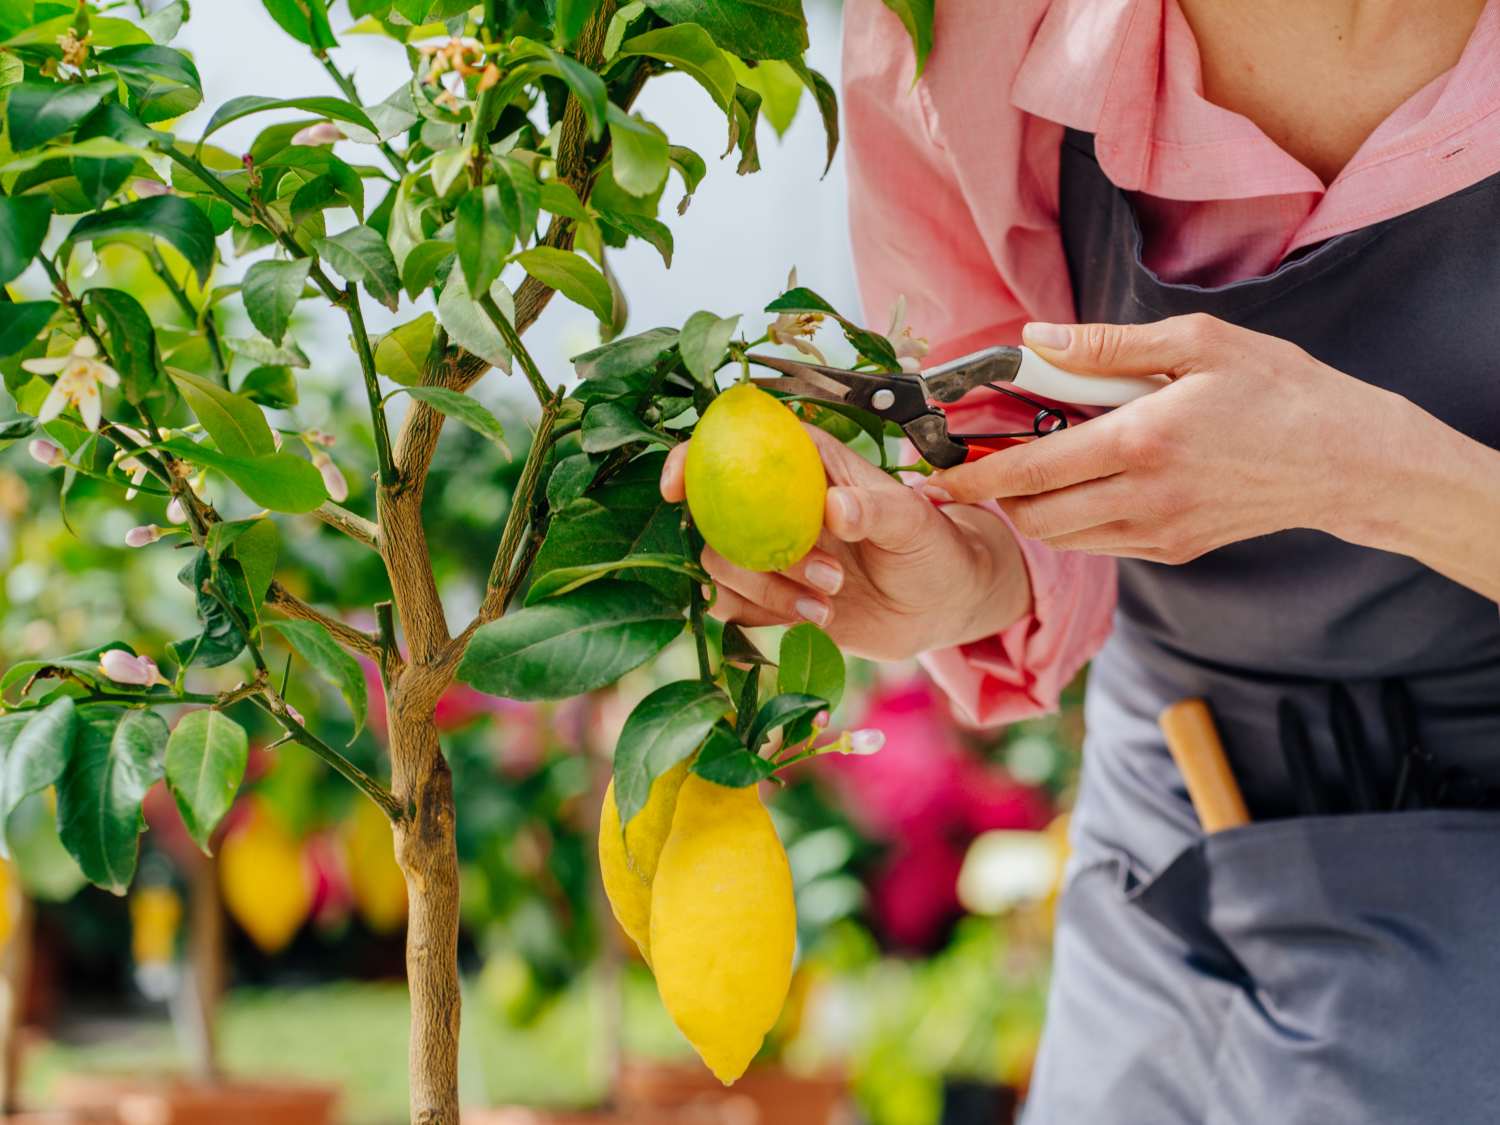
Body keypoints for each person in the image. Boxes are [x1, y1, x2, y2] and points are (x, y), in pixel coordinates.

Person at [660, 0, 1500, 1120]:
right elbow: (1021, 449)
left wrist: (1360, 470)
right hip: (1171, 819)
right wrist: (958, 569)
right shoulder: (961, 27)